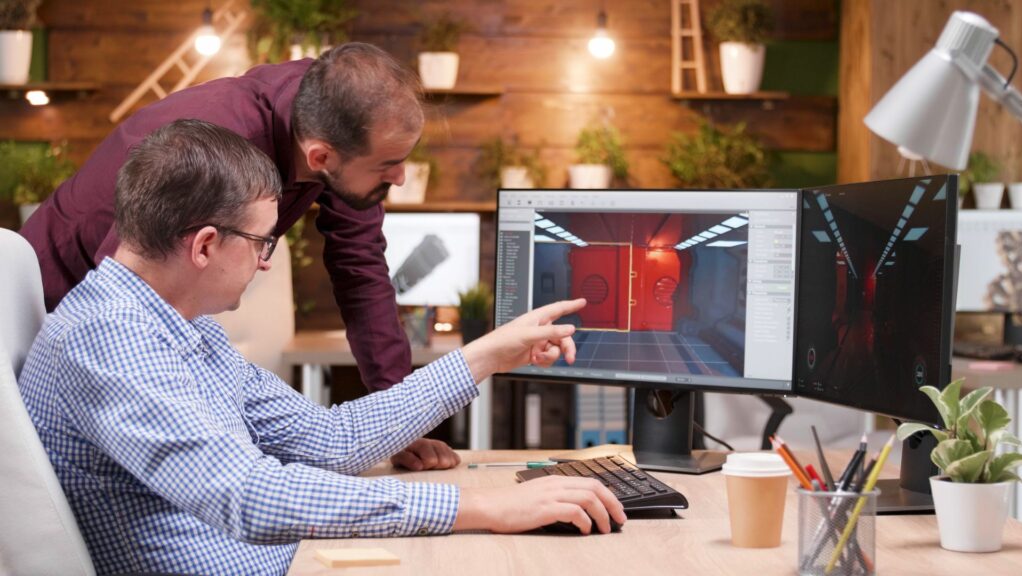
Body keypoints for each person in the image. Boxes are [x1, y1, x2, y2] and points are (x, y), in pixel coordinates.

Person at [17, 120, 625, 576]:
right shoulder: (109, 339)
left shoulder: (180, 321)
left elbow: (327, 441)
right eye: (261, 243)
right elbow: (251, 496)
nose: (263, 263)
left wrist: (487, 354)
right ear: (204, 245)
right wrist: (480, 506)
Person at [20, 42, 458, 470]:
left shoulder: (339, 124)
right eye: (388, 165)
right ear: (320, 156)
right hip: (52, 296)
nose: (401, 178)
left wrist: (398, 418)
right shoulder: (211, 147)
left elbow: (360, 266)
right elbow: (134, 292)